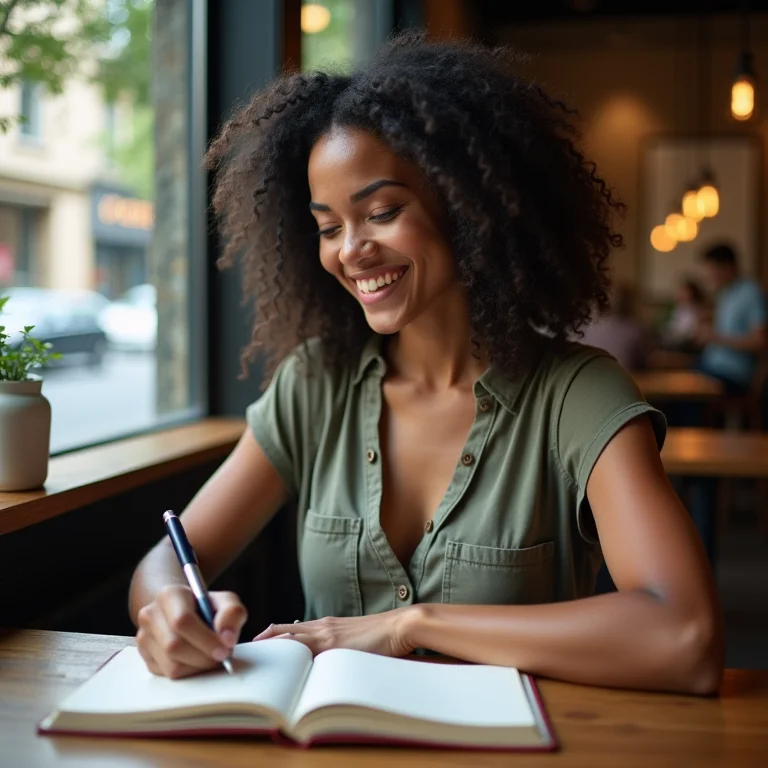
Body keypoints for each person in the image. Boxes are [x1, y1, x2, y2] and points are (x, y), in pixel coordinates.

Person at [128, 34, 723, 694]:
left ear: (468, 206)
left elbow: (685, 638)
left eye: (381, 212)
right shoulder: (315, 384)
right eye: (328, 226)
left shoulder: (576, 396)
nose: (351, 250)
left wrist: (413, 624)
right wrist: (169, 610)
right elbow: (169, 559)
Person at [697, 244, 767, 394]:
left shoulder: (751, 293)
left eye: (712, 269)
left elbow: (760, 341)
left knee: (684, 393)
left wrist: (716, 337)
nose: (709, 275)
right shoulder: (726, 293)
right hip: (712, 366)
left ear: (728, 267)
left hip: (733, 374)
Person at [580, 284, 651, 370]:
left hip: (592, 377)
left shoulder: (589, 327)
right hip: (626, 378)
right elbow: (645, 361)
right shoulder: (635, 329)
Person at [662, 278, 707, 352]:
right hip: (675, 341)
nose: (680, 294)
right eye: (680, 291)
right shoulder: (678, 309)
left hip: (689, 344)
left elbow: (693, 332)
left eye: (684, 292)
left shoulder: (698, 310)